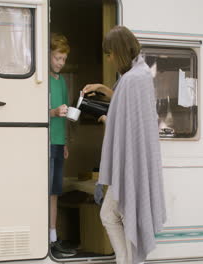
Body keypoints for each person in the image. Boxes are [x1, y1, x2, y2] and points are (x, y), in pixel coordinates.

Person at [83, 26, 166, 264]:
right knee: (113, 215)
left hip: (132, 167)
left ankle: (128, 261)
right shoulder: (139, 74)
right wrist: (101, 89)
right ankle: (125, 259)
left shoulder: (133, 79)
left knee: (119, 215)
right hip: (136, 164)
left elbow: (127, 122)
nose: (108, 59)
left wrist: (107, 120)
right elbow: (125, 107)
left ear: (118, 51)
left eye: (109, 54)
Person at [48, 33, 76, 257]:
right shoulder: (41, 80)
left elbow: (65, 115)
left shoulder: (63, 82)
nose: (60, 63)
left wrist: (65, 141)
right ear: (48, 55)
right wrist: (53, 112)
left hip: (58, 143)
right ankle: (43, 238)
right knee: (43, 192)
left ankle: (52, 239)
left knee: (55, 193)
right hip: (44, 143)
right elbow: (32, 113)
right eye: (57, 58)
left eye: (63, 59)